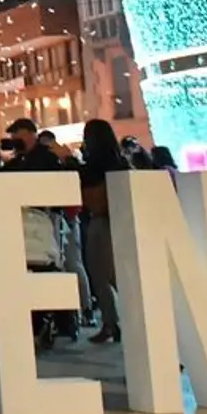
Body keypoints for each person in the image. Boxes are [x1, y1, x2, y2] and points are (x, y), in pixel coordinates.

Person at [78, 119, 129, 344]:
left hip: (102, 221)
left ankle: (112, 322)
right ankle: (117, 321)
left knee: (102, 273)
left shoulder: (94, 165)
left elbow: (90, 189)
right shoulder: (119, 161)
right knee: (114, 274)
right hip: (119, 220)